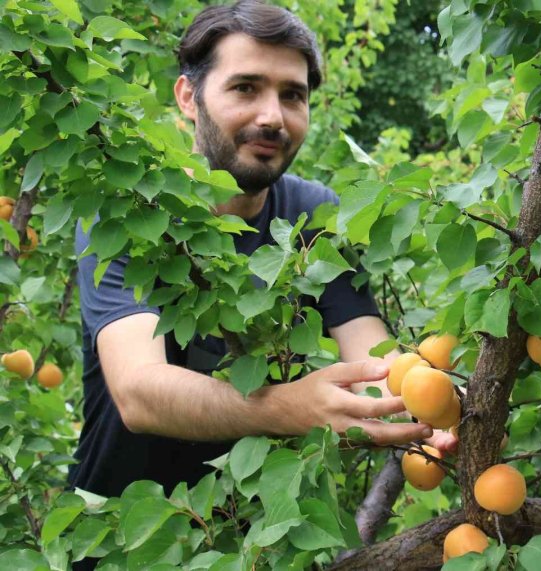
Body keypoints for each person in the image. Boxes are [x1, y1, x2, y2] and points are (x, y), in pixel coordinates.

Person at [69, 0, 454, 502]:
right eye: (245, 87)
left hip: (261, 545)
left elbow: (374, 368)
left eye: (292, 95)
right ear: (189, 97)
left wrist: (439, 409)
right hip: (115, 537)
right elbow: (138, 392)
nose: (272, 117)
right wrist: (286, 406)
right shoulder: (127, 208)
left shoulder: (314, 214)